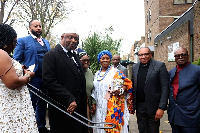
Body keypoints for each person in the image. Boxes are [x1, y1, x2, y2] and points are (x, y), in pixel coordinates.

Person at [42, 33, 87, 133]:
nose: (74, 40)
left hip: (78, 109)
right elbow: (49, 81)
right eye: (70, 37)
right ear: (62, 37)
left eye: (76, 38)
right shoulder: (50, 56)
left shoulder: (74, 55)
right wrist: (69, 98)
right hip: (63, 109)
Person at [13, 19, 51, 133]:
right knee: (30, 104)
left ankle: (41, 126)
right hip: (32, 78)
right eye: (35, 26)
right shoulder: (23, 41)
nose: (38, 28)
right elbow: (16, 60)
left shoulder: (46, 42)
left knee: (43, 103)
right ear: (30, 28)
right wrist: (24, 71)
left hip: (45, 77)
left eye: (40, 26)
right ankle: (27, 128)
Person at [0, 24, 38, 132]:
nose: (15, 45)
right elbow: (12, 83)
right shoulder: (1, 54)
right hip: (10, 105)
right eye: (14, 42)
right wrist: (28, 76)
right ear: (5, 40)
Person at [91, 50, 134, 133]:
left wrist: (121, 90)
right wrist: (93, 103)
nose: (105, 60)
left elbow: (127, 83)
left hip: (111, 105)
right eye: (103, 58)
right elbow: (94, 90)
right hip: (99, 106)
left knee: (111, 128)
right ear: (99, 60)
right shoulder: (96, 74)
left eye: (107, 58)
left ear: (110, 59)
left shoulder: (115, 72)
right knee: (99, 126)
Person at [131, 47, 169, 133]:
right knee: (142, 130)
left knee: (153, 130)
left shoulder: (160, 66)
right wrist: (131, 105)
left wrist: (161, 107)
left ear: (150, 55)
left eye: (145, 54)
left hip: (154, 107)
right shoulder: (135, 67)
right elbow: (133, 85)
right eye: (140, 55)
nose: (143, 57)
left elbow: (165, 87)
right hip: (139, 107)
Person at [168, 47, 200, 133]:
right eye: (177, 56)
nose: (180, 57)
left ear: (188, 56)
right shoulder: (171, 72)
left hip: (191, 116)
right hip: (174, 115)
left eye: (183, 55)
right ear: (174, 58)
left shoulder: (197, 70)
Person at [79, 52, 96, 132]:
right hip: (78, 104)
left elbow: (93, 89)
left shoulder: (90, 72)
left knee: (88, 126)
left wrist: (93, 103)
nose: (86, 62)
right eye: (83, 60)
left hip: (88, 104)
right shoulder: (76, 71)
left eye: (88, 60)